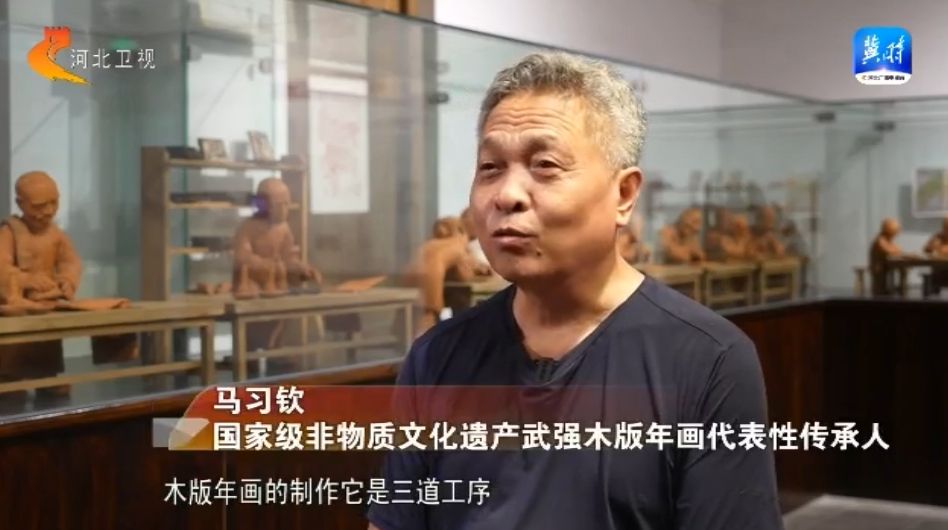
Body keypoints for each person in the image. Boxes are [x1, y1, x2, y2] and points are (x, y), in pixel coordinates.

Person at [368, 52, 781, 530]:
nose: (507, 194)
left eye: (544, 165)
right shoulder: (437, 357)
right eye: (490, 167)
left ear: (624, 195)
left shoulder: (706, 359)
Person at [0, 171, 81, 400]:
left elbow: (70, 262)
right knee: (14, 346)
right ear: (20, 204)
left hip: (46, 303)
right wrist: (25, 279)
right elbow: (1, 266)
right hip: (19, 305)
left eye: (54, 203)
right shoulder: (9, 232)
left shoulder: (56, 234)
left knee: (46, 343)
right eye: (39, 206)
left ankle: (47, 377)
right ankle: (9, 378)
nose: (48, 211)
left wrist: (66, 281)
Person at [869, 217, 902, 296]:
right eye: (894, 232)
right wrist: (895, 250)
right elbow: (890, 250)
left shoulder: (887, 240)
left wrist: (895, 250)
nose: (895, 235)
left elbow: (897, 249)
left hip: (885, 267)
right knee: (880, 290)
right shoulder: (880, 240)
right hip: (879, 268)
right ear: (888, 231)